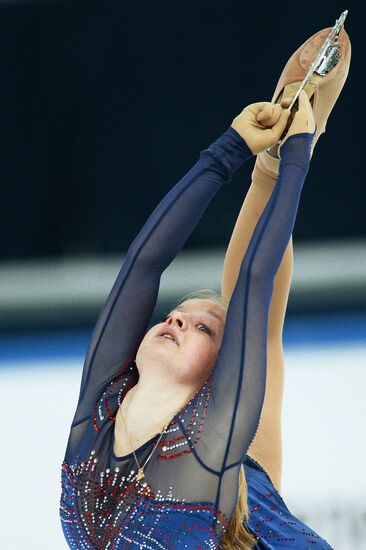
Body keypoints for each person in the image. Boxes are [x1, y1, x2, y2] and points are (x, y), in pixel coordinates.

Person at [59, 25, 351, 549]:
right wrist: (230, 148)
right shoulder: (99, 411)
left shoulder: (210, 444)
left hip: (243, 495)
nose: (174, 320)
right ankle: (273, 155)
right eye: (176, 316)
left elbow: (254, 289)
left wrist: (300, 153)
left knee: (253, 322)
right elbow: (143, 264)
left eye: (201, 329)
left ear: (219, 376)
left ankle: (277, 158)